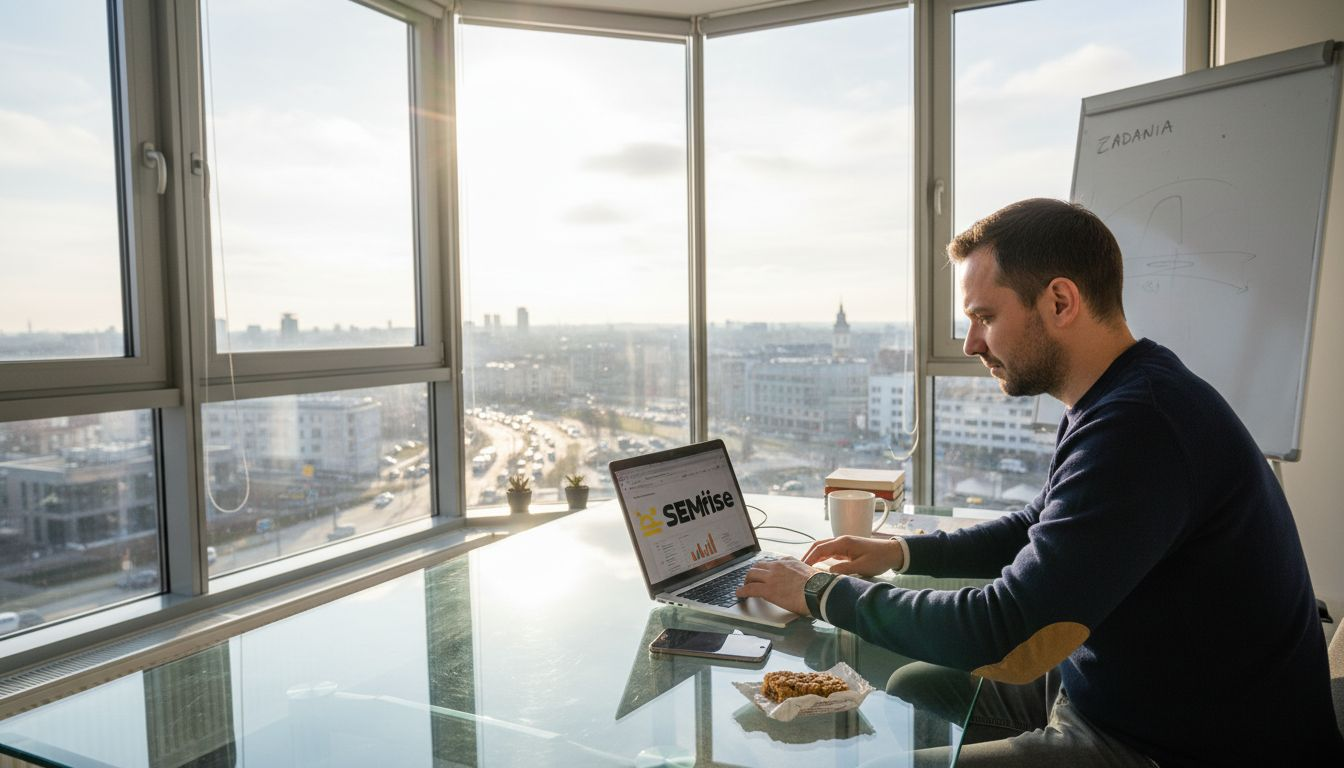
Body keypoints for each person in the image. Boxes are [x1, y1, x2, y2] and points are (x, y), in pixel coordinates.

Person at [736, 198, 1344, 767]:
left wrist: (819, 593)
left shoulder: (1142, 425)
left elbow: (1009, 633)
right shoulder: (1124, 393)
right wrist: (902, 549)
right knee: (913, 686)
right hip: (1121, 690)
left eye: (984, 316)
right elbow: (1044, 522)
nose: (972, 342)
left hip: (1182, 743)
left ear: (1059, 301)